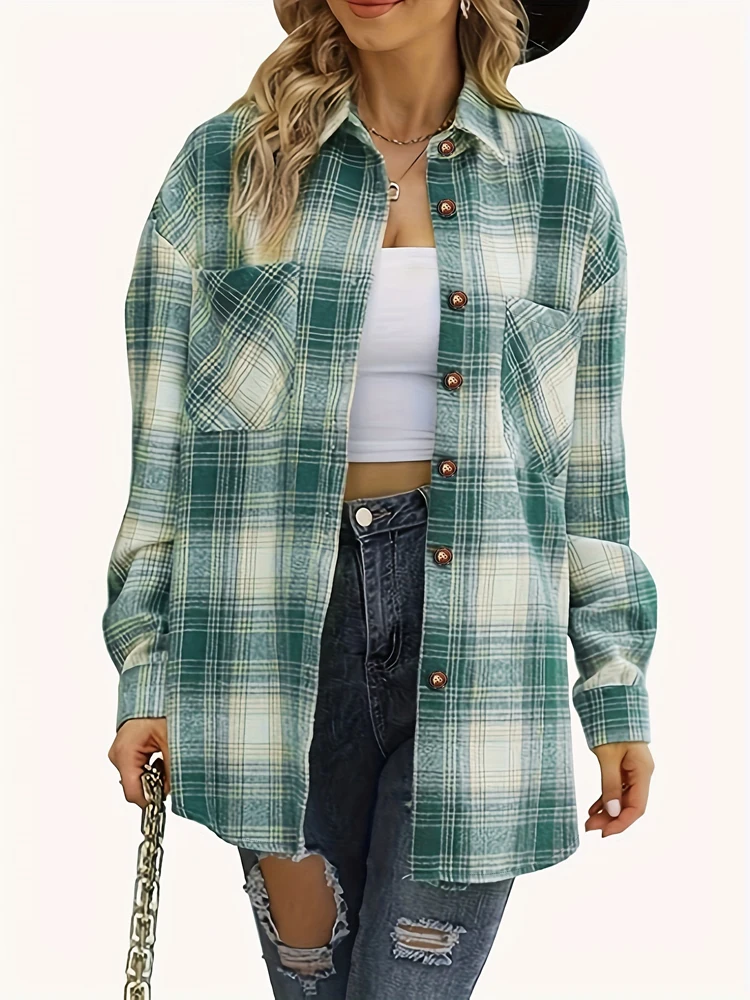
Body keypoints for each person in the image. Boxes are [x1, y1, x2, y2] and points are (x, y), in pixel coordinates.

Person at [104, 1, 658, 996]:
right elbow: (162, 460)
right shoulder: (223, 169)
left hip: (487, 662)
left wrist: (615, 687)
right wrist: (144, 673)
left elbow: (590, 480)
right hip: (267, 662)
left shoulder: (559, 183)